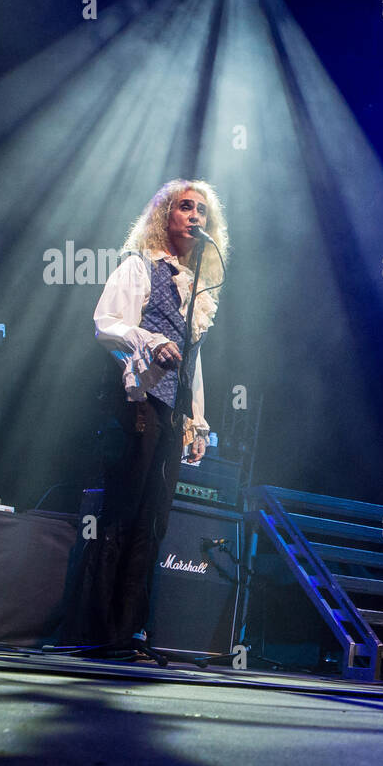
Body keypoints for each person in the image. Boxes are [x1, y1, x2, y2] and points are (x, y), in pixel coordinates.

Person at [64, 179, 229, 650]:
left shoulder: (196, 290)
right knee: (123, 511)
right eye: (184, 207)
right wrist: (151, 341)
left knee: (154, 520)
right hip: (138, 404)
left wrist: (198, 422)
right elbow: (107, 325)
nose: (194, 216)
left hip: (173, 411)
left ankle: (131, 627)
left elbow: (195, 364)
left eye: (201, 210)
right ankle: (98, 628)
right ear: (165, 215)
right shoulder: (139, 266)